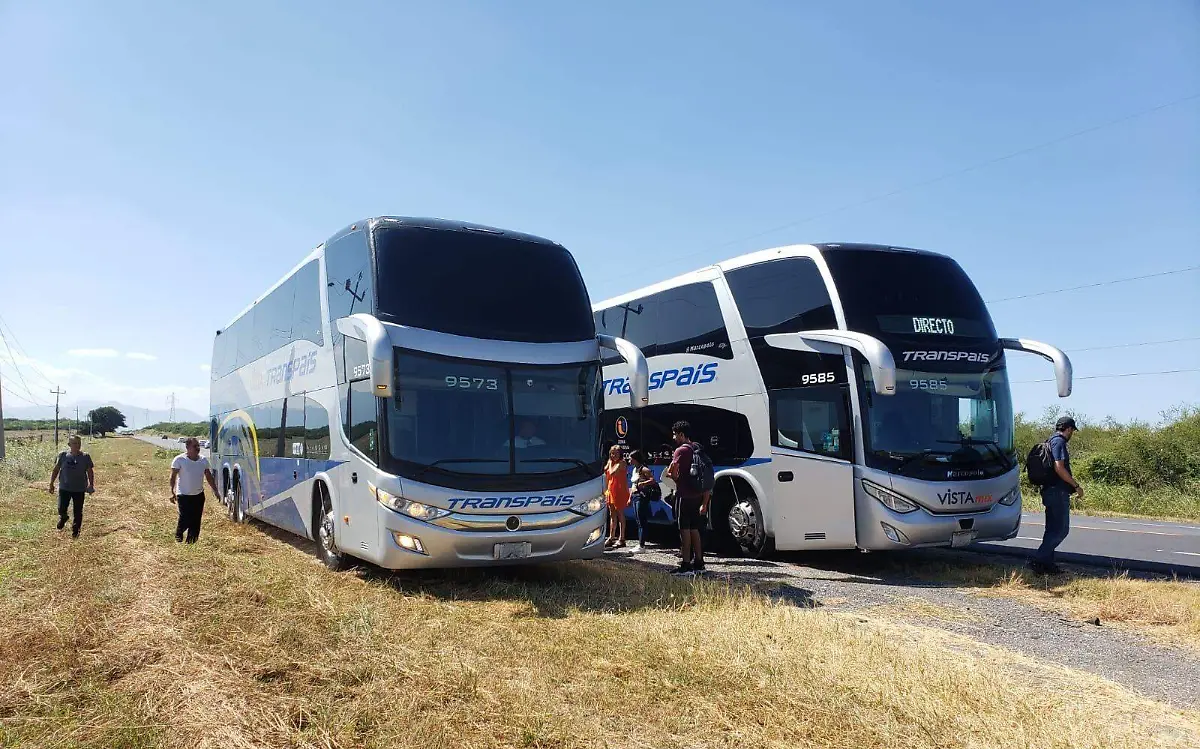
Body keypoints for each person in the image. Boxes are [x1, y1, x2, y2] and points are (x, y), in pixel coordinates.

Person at [1032, 416, 1082, 575]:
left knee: (1051, 529)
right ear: (1068, 429)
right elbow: (1059, 467)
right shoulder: (1059, 442)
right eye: (1072, 430)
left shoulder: (1050, 440)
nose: (1072, 433)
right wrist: (1076, 486)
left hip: (1049, 490)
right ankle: (1039, 559)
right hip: (1057, 491)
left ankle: (1046, 565)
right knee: (1061, 530)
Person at [666, 420, 709, 575]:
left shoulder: (680, 451)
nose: (673, 437)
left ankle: (685, 564)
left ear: (681, 434)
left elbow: (673, 473)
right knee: (695, 529)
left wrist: (672, 476)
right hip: (697, 495)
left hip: (684, 495)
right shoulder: (697, 448)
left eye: (675, 434)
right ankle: (699, 563)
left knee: (684, 530)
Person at [169, 437, 221, 544]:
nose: (198, 448)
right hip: (183, 495)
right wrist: (172, 491)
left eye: (198, 446)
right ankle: (178, 535)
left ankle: (191, 542)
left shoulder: (203, 460)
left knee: (196, 520)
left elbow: (208, 476)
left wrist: (215, 490)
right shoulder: (179, 460)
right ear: (187, 447)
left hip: (198, 495)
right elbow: (173, 476)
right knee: (185, 518)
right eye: (195, 446)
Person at [48, 435, 94, 538]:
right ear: (69, 445)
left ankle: (75, 532)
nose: (77, 445)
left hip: (79, 489)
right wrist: (51, 483)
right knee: (61, 508)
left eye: (79, 443)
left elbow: (90, 472)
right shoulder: (63, 455)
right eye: (74, 443)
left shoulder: (85, 457)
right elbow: (56, 470)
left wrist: (91, 485)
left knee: (78, 512)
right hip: (65, 488)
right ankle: (64, 517)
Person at [628, 449, 660, 552]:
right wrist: (629, 497)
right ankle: (640, 544)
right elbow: (633, 485)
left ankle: (642, 545)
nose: (629, 461)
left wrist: (644, 483)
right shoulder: (634, 469)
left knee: (642, 521)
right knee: (638, 520)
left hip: (642, 496)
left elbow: (653, 480)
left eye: (631, 459)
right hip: (635, 496)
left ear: (635, 459)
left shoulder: (644, 469)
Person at [603, 444, 630, 548]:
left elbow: (612, 472)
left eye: (616, 453)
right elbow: (605, 472)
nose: (613, 455)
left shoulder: (622, 463)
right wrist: (609, 463)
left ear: (620, 454)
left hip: (619, 491)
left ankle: (622, 538)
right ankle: (611, 537)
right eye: (612, 453)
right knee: (612, 514)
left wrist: (609, 463)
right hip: (611, 490)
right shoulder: (611, 462)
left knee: (620, 513)